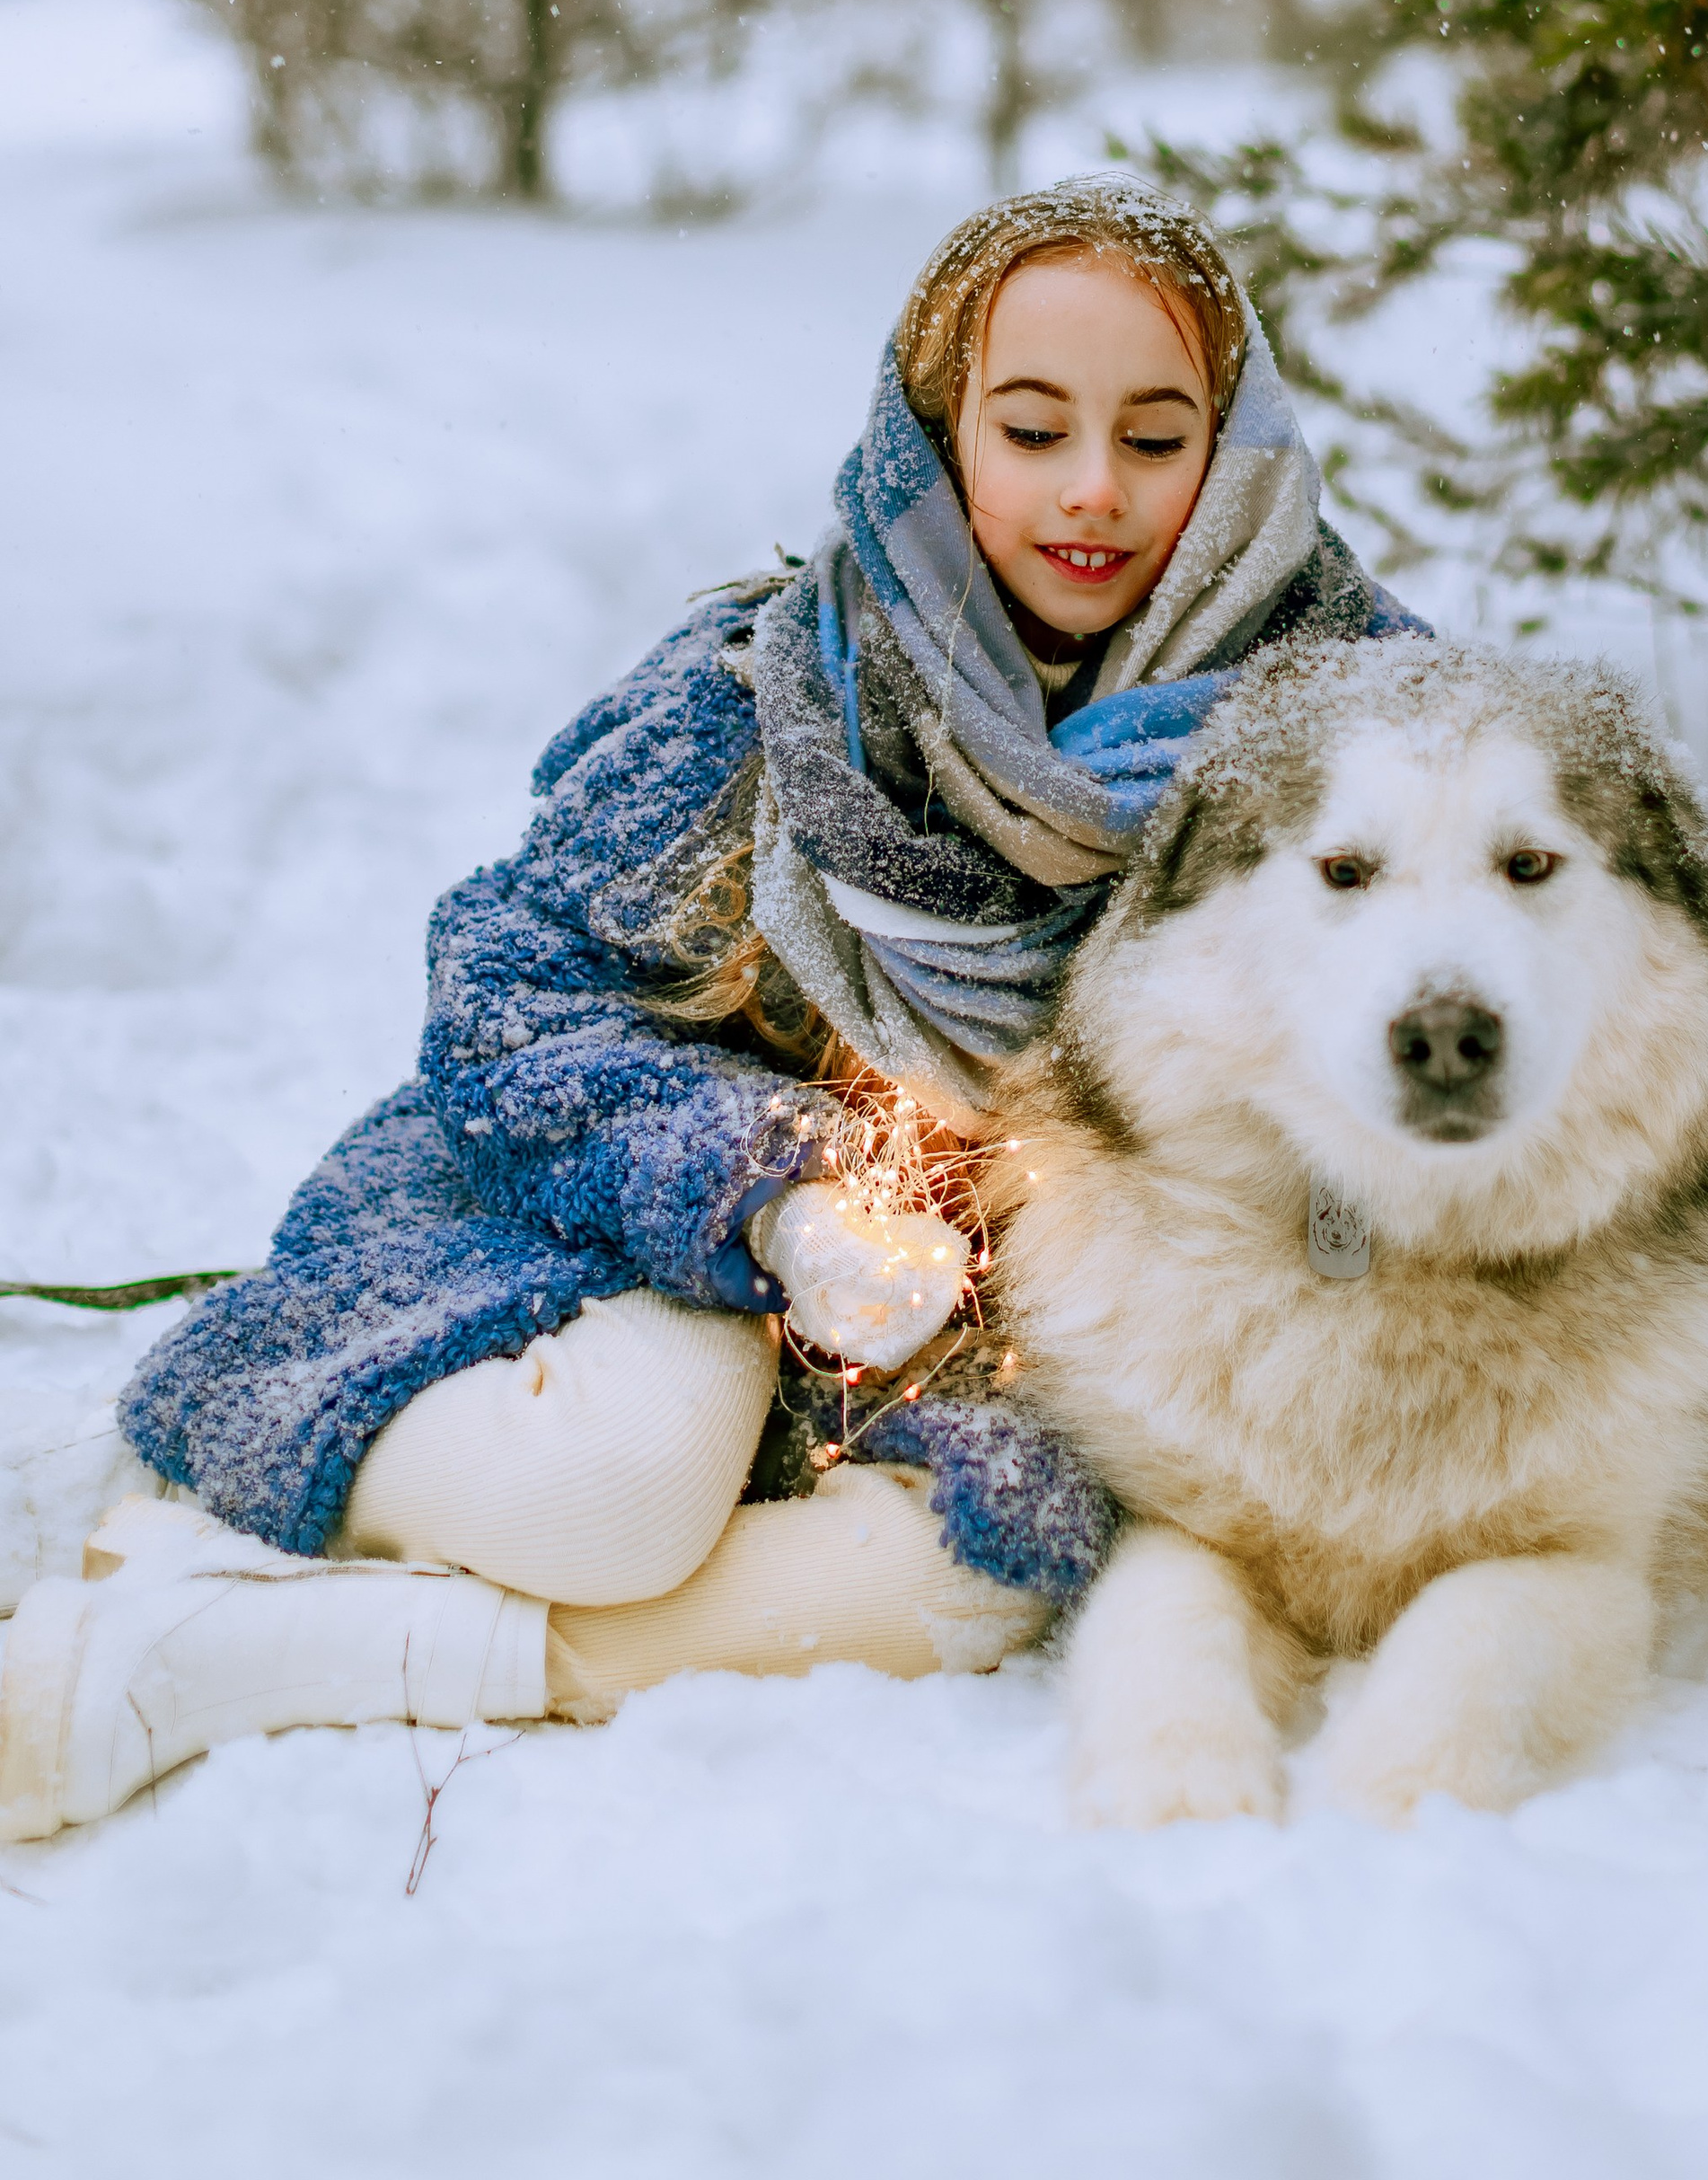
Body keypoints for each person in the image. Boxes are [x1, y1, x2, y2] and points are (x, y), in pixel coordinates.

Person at [0, 181, 1420, 1840]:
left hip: (1025, 1350)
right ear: (937, 430)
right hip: (645, 1235)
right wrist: (777, 1196)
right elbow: (510, 997)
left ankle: (250, 1646)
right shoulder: (776, 685)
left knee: (980, 1578)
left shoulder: (1365, 735)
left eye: (1157, 438)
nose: (1093, 492)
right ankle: (195, 1474)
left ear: (1240, 447)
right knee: (616, 1498)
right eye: (1031, 429)